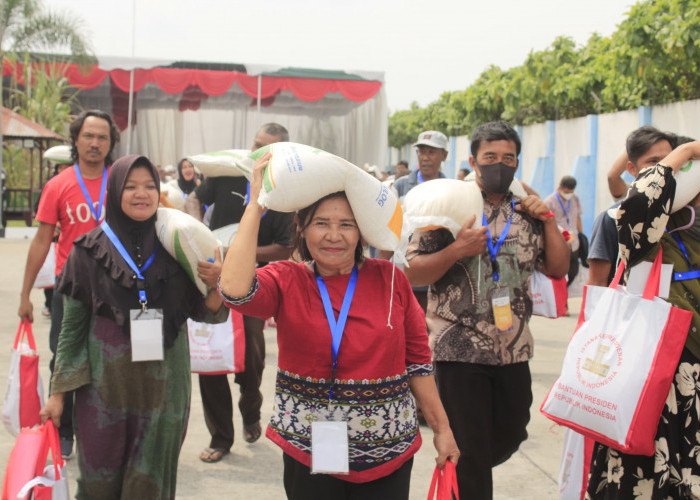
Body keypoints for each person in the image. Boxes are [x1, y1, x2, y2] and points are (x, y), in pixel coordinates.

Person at [217, 151, 459, 499]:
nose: (334, 235)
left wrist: (442, 429)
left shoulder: (391, 280)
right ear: (301, 227)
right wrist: (255, 206)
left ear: (363, 231)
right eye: (321, 224)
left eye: (346, 224)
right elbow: (235, 291)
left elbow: (419, 363)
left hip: (388, 452)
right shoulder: (287, 279)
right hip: (308, 449)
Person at [39, 155, 225, 498]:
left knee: (150, 487)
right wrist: (57, 396)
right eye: (131, 186)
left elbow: (210, 314)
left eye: (150, 186)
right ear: (113, 191)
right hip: (103, 394)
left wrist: (217, 284)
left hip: (165, 395)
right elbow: (71, 332)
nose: (142, 194)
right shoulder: (88, 252)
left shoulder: (177, 245)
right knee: (98, 484)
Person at [403, 121, 569, 500]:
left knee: (513, 431)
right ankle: (466, 473)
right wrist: (457, 250)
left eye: (508, 158)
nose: (500, 164)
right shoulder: (449, 205)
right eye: (490, 157)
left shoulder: (527, 209)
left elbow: (558, 268)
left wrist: (547, 219)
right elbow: (411, 269)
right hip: (457, 347)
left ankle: (467, 466)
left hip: (513, 347)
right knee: (471, 452)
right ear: (473, 160)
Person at [586, 141, 700, 498]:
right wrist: (686, 152)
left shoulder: (694, 234)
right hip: (656, 379)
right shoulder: (643, 237)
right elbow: (639, 201)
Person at [185, 123, 294, 462]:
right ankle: (221, 437)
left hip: (254, 290)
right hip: (212, 281)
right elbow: (193, 198)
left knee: (251, 362)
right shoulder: (227, 176)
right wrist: (197, 227)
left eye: (266, 150)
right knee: (211, 359)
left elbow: (284, 249)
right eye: (255, 146)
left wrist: (240, 253)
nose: (256, 154)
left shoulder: (285, 194)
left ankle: (251, 410)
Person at [18, 109, 120, 459]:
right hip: (70, 289)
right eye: (88, 136)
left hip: (115, 289)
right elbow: (41, 241)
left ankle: (104, 431)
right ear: (76, 140)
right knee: (65, 360)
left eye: (102, 137)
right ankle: (64, 432)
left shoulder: (121, 181)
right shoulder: (59, 184)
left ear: (111, 143)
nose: (95, 143)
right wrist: (26, 295)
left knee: (111, 360)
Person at [588, 127, 675, 287]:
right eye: (653, 162)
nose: (663, 169)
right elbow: (596, 283)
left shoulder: (683, 215)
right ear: (632, 168)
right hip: (627, 310)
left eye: (669, 160)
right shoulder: (612, 218)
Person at [544, 175, 583, 286]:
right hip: (558, 243)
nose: (568, 194)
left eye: (571, 191)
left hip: (573, 242)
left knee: (573, 271)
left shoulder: (574, 198)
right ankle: (562, 298)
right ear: (560, 188)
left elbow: (578, 217)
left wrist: (581, 234)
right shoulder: (549, 202)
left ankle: (565, 291)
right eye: (566, 192)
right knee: (559, 274)